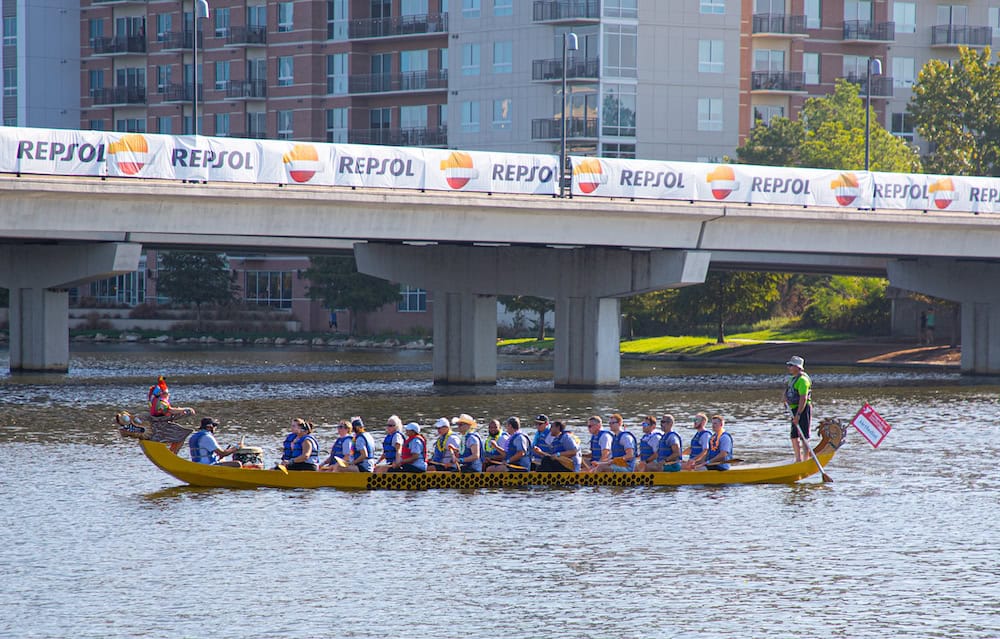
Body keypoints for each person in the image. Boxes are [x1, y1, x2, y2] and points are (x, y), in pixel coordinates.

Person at [783, 355, 812, 463]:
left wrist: (798, 415)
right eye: (789, 365)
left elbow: (803, 398)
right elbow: (787, 390)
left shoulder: (803, 380)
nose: (789, 367)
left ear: (797, 367)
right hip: (793, 409)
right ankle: (798, 459)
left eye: (791, 365)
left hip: (803, 409)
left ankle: (806, 459)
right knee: (794, 436)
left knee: (804, 436)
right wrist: (784, 397)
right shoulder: (792, 379)